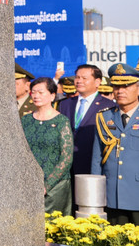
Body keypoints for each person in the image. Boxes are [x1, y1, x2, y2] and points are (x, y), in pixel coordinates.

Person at [91, 63, 139, 225]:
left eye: (126, 86)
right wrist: (95, 193)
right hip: (113, 195)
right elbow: (97, 159)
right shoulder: (104, 117)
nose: (120, 91)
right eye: (116, 87)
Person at [20, 77, 73, 216]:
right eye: (34, 92)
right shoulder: (25, 120)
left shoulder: (61, 121)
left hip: (55, 186)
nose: (36, 95)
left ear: (52, 95)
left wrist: (47, 185)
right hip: (28, 184)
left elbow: (66, 157)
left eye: (41, 92)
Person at [56, 64, 116, 181]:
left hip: (92, 166)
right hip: (66, 169)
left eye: (84, 78)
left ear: (97, 82)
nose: (79, 81)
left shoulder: (109, 106)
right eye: (77, 77)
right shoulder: (65, 104)